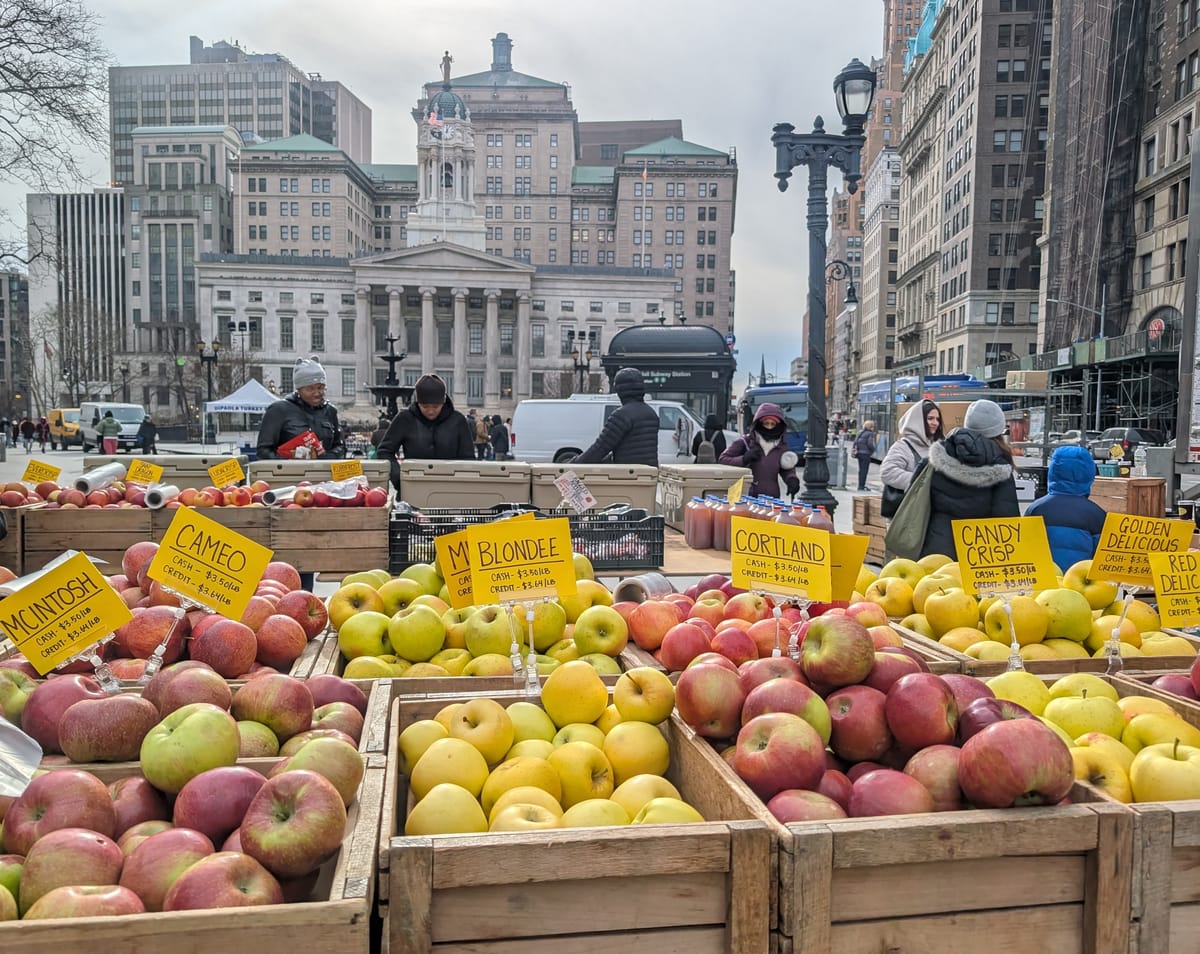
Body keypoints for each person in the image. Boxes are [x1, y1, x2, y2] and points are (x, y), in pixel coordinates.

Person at [920, 399, 1020, 559]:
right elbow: (1007, 521)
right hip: (980, 554)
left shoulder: (936, 458)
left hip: (936, 549)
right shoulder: (1001, 465)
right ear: (998, 430)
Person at [376, 373, 474, 491]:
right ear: (418, 403)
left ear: (443, 402)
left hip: (450, 488)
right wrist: (400, 479)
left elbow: (468, 458)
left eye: (436, 406)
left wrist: (461, 483)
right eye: (425, 406)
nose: (431, 411)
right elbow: (385, 451)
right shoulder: (405, 419)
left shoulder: (458, 421)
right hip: (413, 486)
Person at [1025, 445, 1108, 572]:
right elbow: (1102, 559)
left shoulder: (1035, 509)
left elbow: (1026, 548)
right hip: (1080, 580)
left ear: (1053, 471)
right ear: (1089, 473)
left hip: (1044, 579)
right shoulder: (1096, 514)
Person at [256, 357, 346, 460]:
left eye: (320, 388)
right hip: (289, 469)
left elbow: (340, 446)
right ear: (299, 389)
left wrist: (327, 457)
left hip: (322, 468)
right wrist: (289, 460)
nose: (317, 393)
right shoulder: (278, 410)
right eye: (310, 389)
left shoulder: (330, 411)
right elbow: (263, 451)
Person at [570, 367, 659, 466]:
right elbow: (632, 450)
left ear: (620, 390)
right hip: (648, 472)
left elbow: (600, 448)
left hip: (626, 473)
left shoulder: (622, 415)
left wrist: (573, 464)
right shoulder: (651, 413)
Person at [719, 402, 800, 498]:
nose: (769, 427)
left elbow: (786, 467)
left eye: (773, 424)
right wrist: (744, 459)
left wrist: (792, 479)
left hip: (771, 497)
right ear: (759, 424)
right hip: (746, 496)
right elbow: (723, 459)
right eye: (766, 423)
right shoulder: (745, 442)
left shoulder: (781, 446)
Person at [880, 400, 944, 496]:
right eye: (930, 418)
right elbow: (887, 472)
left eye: (937, 419)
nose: (935, 423)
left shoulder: (939, 445)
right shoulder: (902, 446)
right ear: (917, 421)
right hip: (913, 504)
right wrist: (923, 481)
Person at [853, 420, 877, 491]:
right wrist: (873, 450)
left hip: (859, 453)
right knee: (864, 470)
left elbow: (855, 442)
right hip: (866, 454)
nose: (873, 428)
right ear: (870, 427)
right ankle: (861, 486)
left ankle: (860, 485)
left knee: (861, 470)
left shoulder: (860, 432)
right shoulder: (870, 434)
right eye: (872, 426)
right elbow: (870, 444)